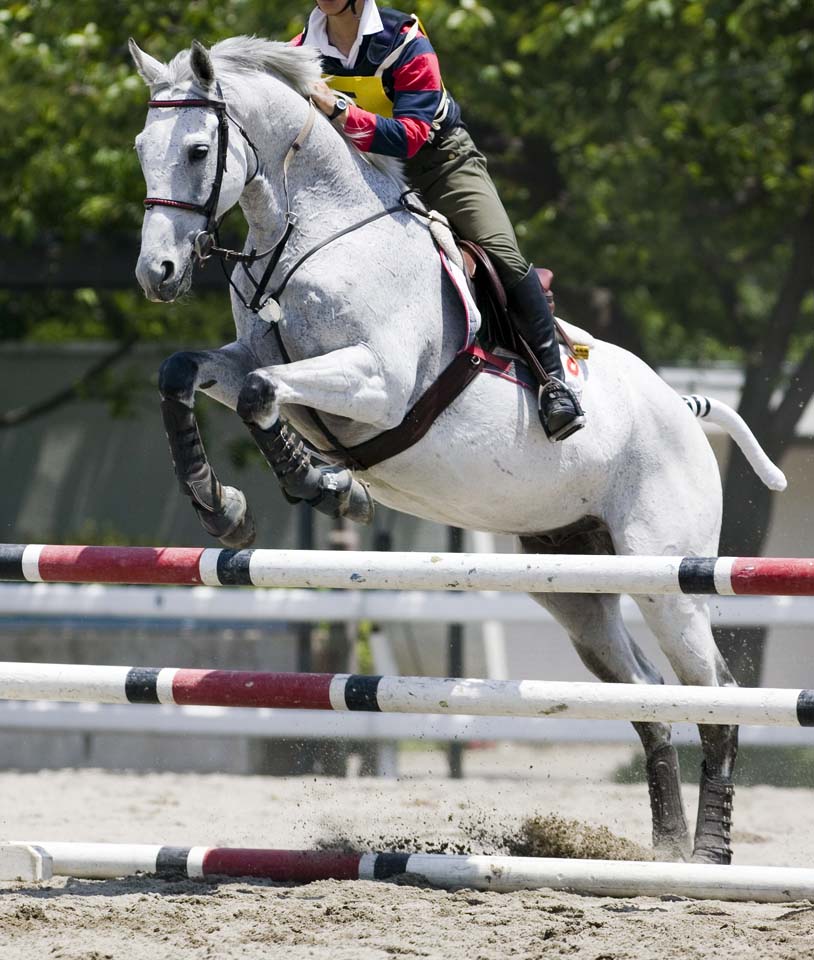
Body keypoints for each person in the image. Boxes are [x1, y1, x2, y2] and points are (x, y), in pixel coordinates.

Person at [292, 0, 585, 441]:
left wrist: (339, 110)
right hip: (364, 173)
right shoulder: (300, 51)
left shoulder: (406, 41)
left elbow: (411, 137)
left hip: (439, 165)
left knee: (500, 252)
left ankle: (553, 381)